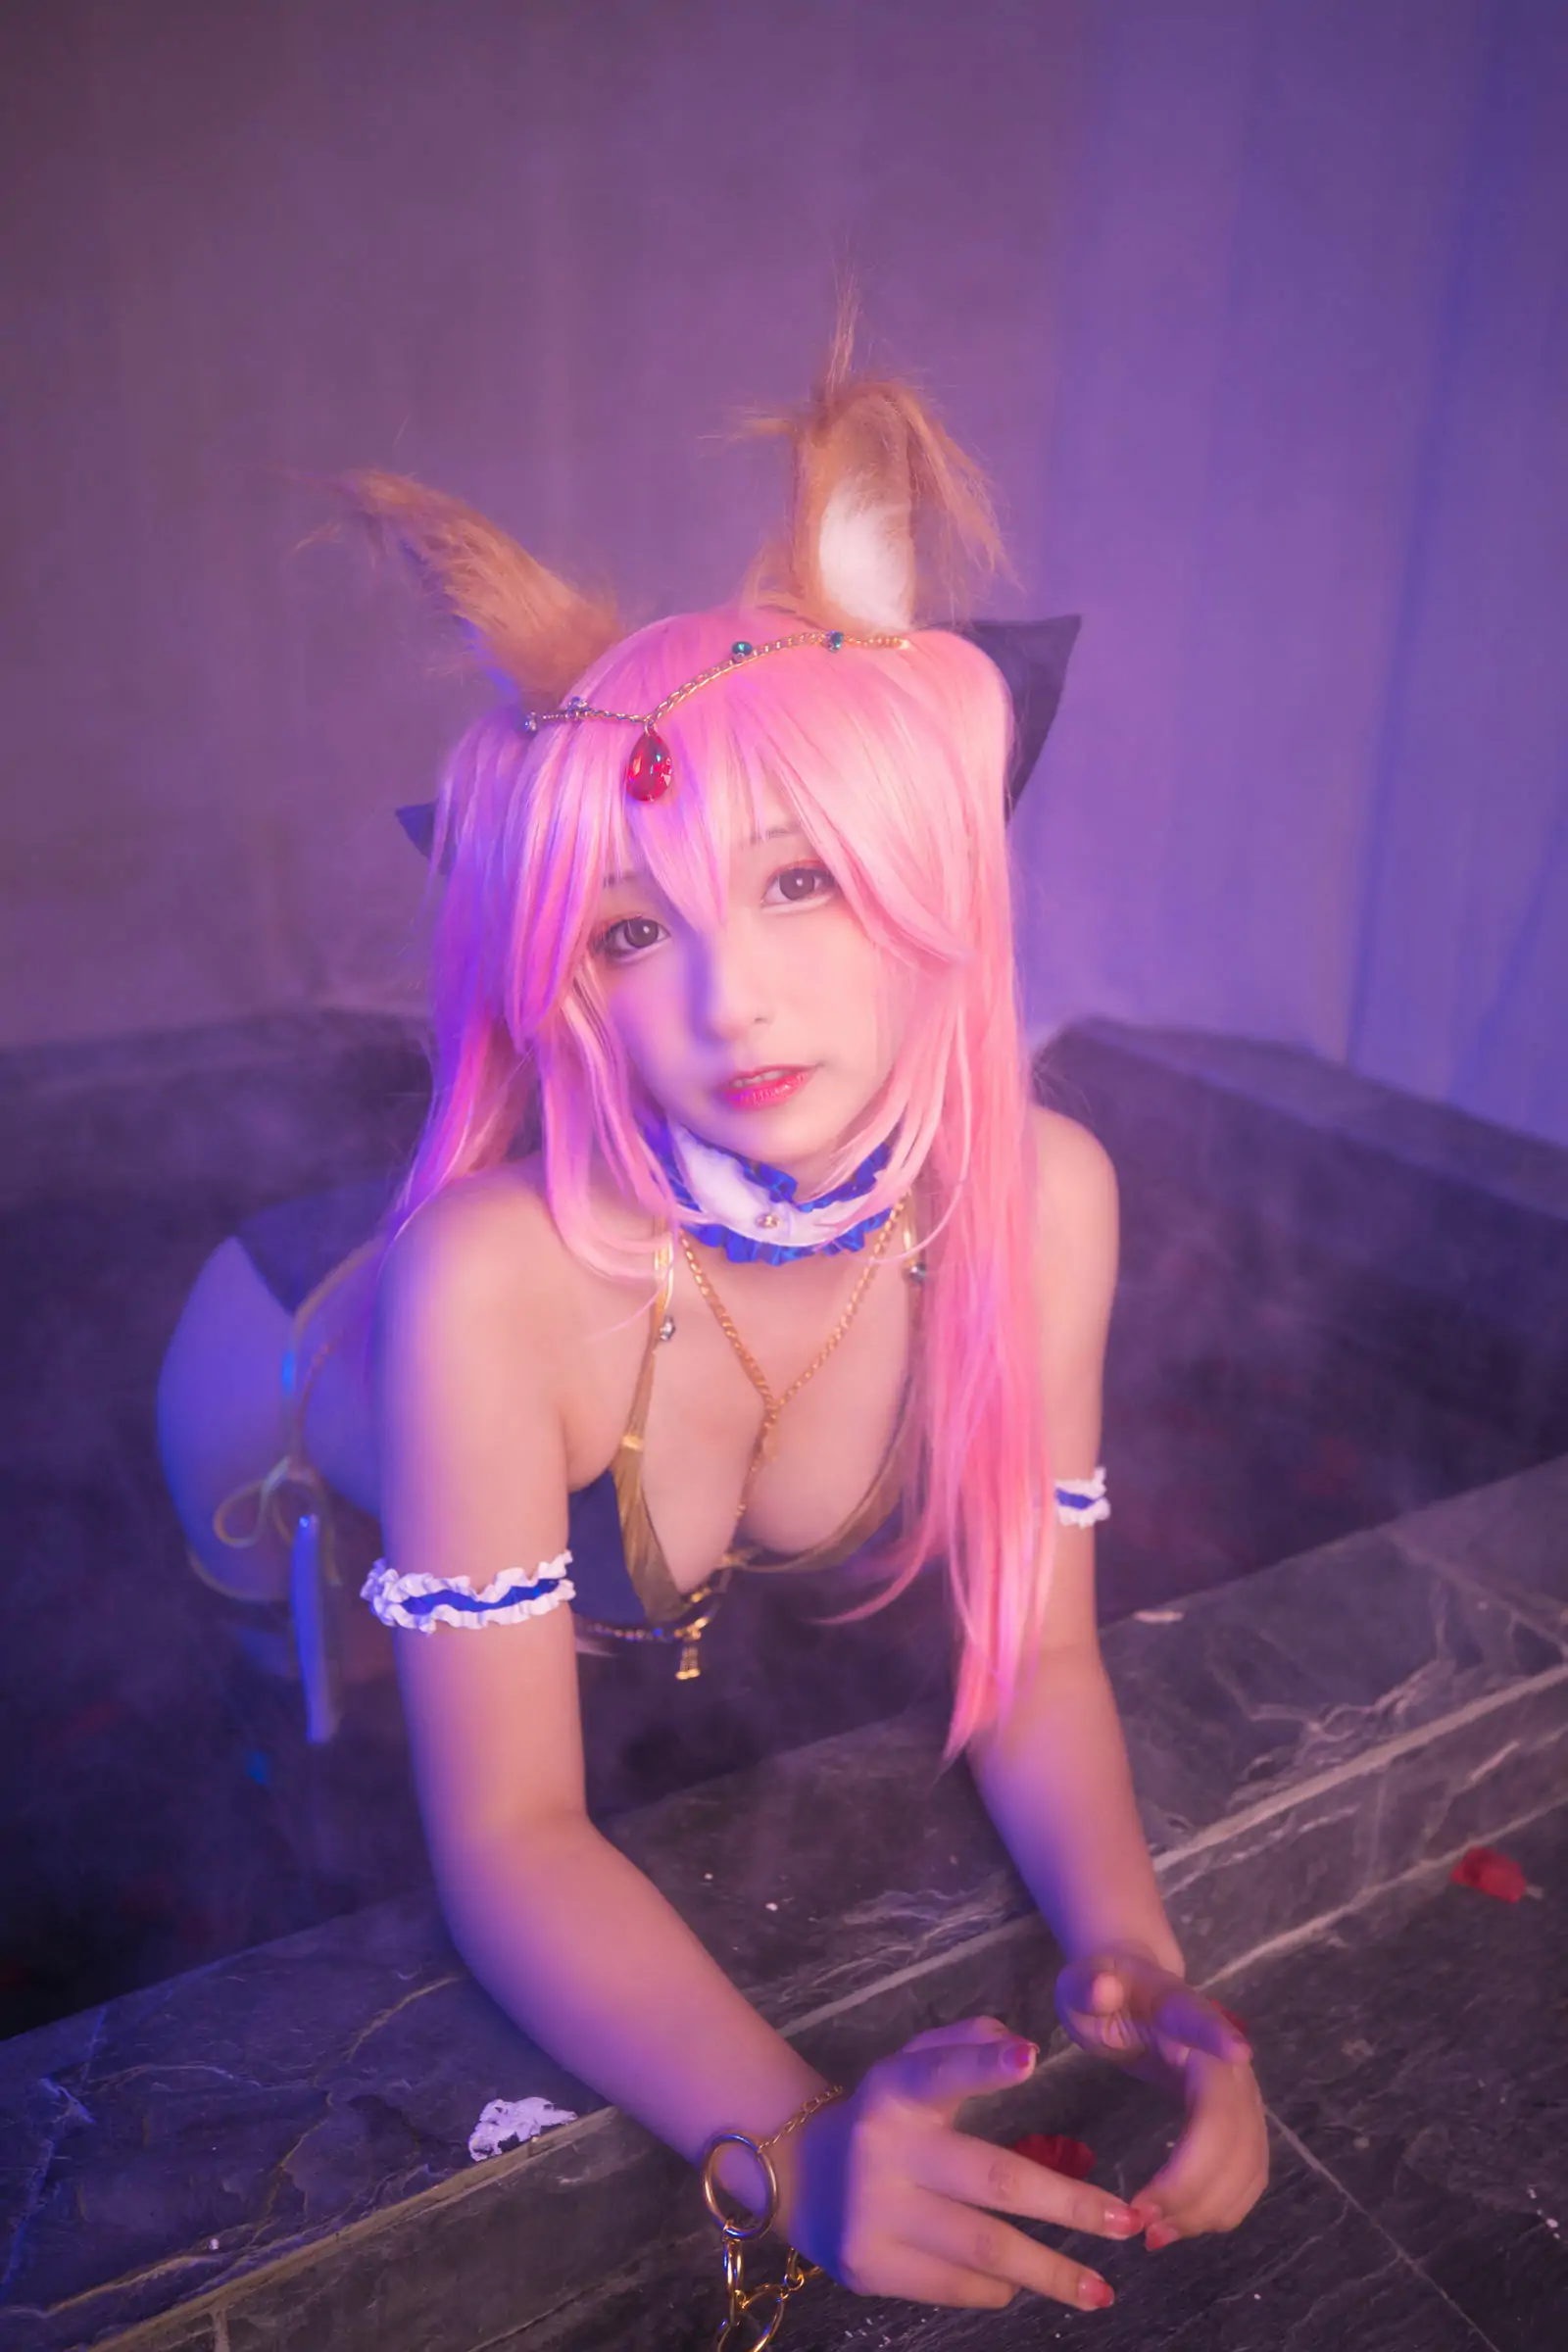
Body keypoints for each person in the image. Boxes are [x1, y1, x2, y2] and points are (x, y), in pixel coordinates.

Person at [157, 340, 1267, 2323]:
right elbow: (510, 1830)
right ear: (562, 974)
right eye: (627, 927)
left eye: (799, 880)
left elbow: (1033, 1651)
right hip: (274, 1368)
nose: (726, 998)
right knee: (293, 1741)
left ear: (929, 872)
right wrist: (790, 2134)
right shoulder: (486, 1288)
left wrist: (1138, 1960)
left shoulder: (1045, 1197)